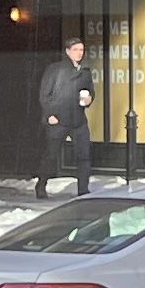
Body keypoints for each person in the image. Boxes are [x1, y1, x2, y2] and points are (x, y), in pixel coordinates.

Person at [36, 34, 96, 196]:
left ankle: (83, 189)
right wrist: (50, 114)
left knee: (84, 155)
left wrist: (89, 99)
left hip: (78, 119)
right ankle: (41, 184)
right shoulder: (55, 69)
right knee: (51, 155)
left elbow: (90, 91)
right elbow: (44, 94)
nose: (79, 53)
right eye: (75, 49)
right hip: (58, 119)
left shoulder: (85, 71)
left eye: (81, 49)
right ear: (68, 51)